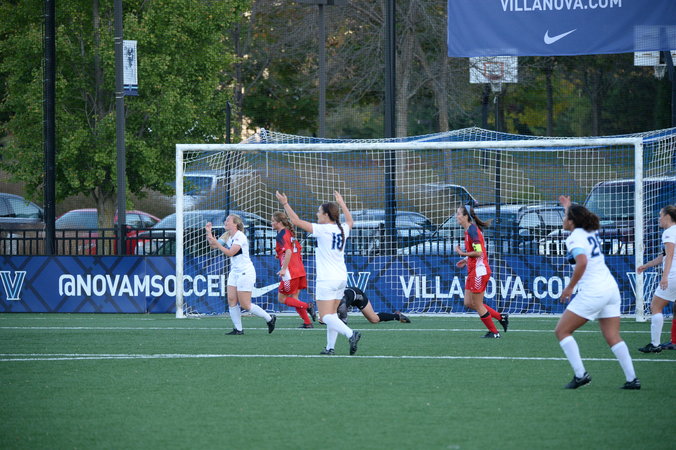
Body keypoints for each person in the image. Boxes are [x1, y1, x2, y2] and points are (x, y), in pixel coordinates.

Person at [554, 196, 639, 389]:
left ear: (572, 221)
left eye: (565, 216)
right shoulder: (589, 230)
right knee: (613, 336)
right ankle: (632, 379)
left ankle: (581, 375)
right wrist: (568, 206)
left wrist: (570, 287)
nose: (563, 220)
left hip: (594, 291)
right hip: (610, 288)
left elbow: (582, 262)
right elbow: (579, 216)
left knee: (562, 331)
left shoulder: (575, 237)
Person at [276, 190, 362, 355]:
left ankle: (351, 334)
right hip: (341, 278)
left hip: (327, 279)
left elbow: (295, 221)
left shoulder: (323, 229)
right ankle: (330, 348)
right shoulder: (342, 228)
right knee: (332, 315)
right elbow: (350, 221)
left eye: (319, 211)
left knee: (324, 317)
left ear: (326, 215)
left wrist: (285, 203)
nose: (317, 214)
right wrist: (341, 203)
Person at [205, 214, 276, 335]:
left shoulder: (240, 236)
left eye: (228, 220)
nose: (225, 222)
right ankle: (238, 329)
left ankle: (269, 318)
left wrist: (217, 243)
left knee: (245, 305)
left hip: (245, 272)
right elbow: (213, 245)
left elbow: (230, 253)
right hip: (234, 272)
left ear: (235, 224)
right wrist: (209, 232)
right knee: (231, 300)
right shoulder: (227, 235)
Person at [454, 204, 509, 338]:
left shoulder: (472, 231)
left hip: (479, 271)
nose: (457, 216)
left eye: (459, 214)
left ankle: (494, 332)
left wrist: (463, 253)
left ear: (466, 216)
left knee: (478, 304)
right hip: (473, 270)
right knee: (468, 303)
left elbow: (478, 253)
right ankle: (500, 317)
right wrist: (466, 260)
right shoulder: (469, 230)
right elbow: (480, 251)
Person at [636, 205, 676, 353]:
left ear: (667, 216)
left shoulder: (669, 232)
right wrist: (646, 265)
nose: (659, 219)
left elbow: (669, 256)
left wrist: (665, 277)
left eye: (660, 215)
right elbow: (664, 256)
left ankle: (655, 345)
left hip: (673, 276)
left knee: (655, 307)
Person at [271, 211, 316, 328]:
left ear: (279, 222)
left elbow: (288, 251)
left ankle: (308, 306)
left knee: (282, 298)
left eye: (273, 221)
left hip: (290, 271)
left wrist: (284, 269)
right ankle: (307, 323)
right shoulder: (290, 233)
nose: (271, 223)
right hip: (299, 269)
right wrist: (279, 254)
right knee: (294, 298)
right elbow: (295, 249)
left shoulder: (281, 235)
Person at [337, 286, 411, 324]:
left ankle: (398, 316)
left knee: (374, 319)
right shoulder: (331, 299)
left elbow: (344, 321)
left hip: (359, 297)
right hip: (349, 297)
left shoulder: (341, 302)